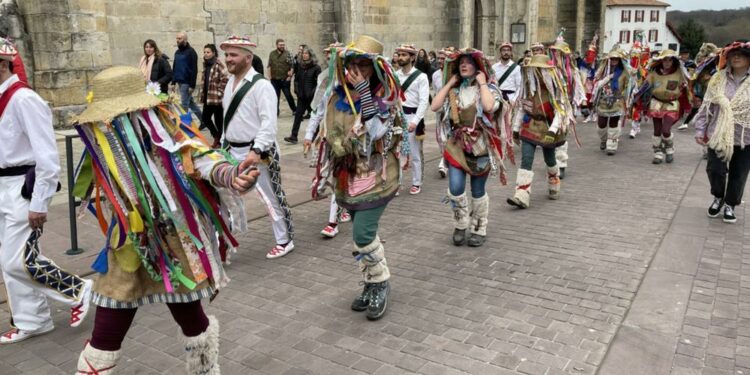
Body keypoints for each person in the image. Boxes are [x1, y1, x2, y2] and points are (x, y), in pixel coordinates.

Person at [70, 65, 258, 374]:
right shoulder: (103, 140)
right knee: (105, 332)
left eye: (114, 114)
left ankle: (206, 369)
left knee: (193, 322)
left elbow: (200, 157)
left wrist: (232, 174)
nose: (108, 120)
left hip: (175, 242)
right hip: (129, 243)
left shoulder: (167, 130)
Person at [0, 37, 93, 345]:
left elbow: (47, 157)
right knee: (8, 260)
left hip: (21, 188)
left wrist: (40, 202)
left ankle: (76, 290)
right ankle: (32, 320)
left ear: (2, 64)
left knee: (18, 261)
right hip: (2, 186)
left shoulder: (24, 99)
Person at [310, 35, 405, 320]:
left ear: (374, 70)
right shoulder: (336, 96)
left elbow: (375, 132)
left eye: (364, 67)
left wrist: (365, 91)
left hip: (377, 178)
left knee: (362, 235)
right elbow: (323, 123)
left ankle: (381, 282)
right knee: (362, 233)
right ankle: (370, 281)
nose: (357, 72)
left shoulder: (384, 98)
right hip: (347, 180)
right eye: (353, 66)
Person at [222, 36, 295, 259]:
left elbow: (269, 123)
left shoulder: (262, 86)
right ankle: (223, 244)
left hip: (258, 153)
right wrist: (223, 142)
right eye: (226, 55)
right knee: (224, 196)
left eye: (233, 55)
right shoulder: (229, 83)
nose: (228, 59)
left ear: (248, 57)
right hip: (232, 151)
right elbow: (229, 118)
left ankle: (285, 240)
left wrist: (256, 151)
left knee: (270, 197)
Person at [431, 48, 506, 247]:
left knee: (477, 190)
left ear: (478, 67)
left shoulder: (489, 89)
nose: (464, 65)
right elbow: (434, 106)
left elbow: (489, 107)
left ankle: (479, 228)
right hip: (456, 145)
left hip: (480, 147)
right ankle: (460, 224)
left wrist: (482, 83)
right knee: (455, 188)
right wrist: (449, 83)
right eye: (461, 62)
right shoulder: (454, 91)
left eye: (468, 62)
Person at [695, 40, 750, 224]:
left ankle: (730, 204)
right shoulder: (718, 78)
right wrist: (700, 129)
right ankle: (718, 196)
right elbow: (706, 106)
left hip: (745, 137)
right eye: (733, 54)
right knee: (715, 170)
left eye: (741, 54)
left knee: (739, 174)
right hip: (717, 134)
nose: (736, 57)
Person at [508, 54, 573, 209]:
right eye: (534, 69)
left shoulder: (555, 89)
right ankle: (522, 195)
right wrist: (516, 129)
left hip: (547, 128)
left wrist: (553, 131)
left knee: (549, 159)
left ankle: (554, 181)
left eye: (540, 69)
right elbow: (522, 108)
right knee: (526, 158)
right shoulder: (528, 87)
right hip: (529, 126)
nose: (536, 72)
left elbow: (561, 111)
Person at [303, 42, 351, 238]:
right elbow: (317, 111)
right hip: (327, 139)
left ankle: (333, 222)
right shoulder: (326, 83)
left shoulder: (353, 84)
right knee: (322, 181)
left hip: (347, 141)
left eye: (336, 57)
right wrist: (308, 135)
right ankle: (344, 204)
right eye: (329, 56)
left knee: (340, 178)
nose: (332, 60)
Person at [548, 31, 586, 179]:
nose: (556, 55)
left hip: (566, 106)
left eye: (559, 53)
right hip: (550, 106)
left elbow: (578, 87)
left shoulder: (572, 71)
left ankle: (561, 163)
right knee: (550, 135)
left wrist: (582, 101)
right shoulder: (548, 70)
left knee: (562, 133)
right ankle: (552, 162)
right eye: (554, 52)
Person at [643, 49, 690, 164]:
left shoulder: (679, 72)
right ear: (661, 61)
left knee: (666, 130)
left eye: (670, 60)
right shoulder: (654, 73)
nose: (667, 62)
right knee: (657, 130)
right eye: (665, 60)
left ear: (673, 61)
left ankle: (669, 148)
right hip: (656, 103)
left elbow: (686, 86)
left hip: (672, 104)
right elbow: (645, 86)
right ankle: (658, 153)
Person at [395, 44, 430, 195]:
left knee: (415, 153)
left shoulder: (421, 77)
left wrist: (415, 121)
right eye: (400, 54)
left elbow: (424, 101)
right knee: (396, 152)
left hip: (413, 117)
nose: (401, 57)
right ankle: (396, 183)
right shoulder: (395, 75)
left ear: (412, 57)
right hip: (397, 117)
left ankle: (416, 182)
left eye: (404, 55)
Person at [591, 48, 632, 155]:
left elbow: (629, 86)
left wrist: (623, 95)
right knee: (601, 124)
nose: (614, 61)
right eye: (612, 59)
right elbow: (595, 83)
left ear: (620, 60)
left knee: (613, 123)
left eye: (616, 59)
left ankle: (611, 146)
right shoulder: (602, 71)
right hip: (603, 101)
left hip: (616, 101)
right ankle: (604, 140)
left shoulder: (624, 72)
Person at [285, 47, 321, 144]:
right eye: (303, 53)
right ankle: (293, 136)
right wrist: (297, 90)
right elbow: (296, 79)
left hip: (312, 97)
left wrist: (313, 93)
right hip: (301, 96)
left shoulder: (316, 67)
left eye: (306, 53)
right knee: (297, 116)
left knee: (315, 117)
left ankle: (316, 135)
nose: (304, 55)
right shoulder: (300, 66)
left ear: (310, 55)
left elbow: (319, 82)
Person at [200, 43, 229, 148]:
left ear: (213, 53)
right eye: (204, 52)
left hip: (217, 98)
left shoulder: (218, 64)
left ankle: (221, 141)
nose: (206, 54)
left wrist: (220, 92)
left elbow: (225, 78)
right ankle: (217, 136)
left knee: (219, 120)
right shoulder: (205, 64)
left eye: (208, 52)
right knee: (205, 118)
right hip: (208, 97)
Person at [433, 47, 454, 178]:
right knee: (440, 137)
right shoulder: (435, 75)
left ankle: (444, 163)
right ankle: (446, 158)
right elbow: (436, 91)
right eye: (439, 58)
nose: (440, 60)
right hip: (439, 109)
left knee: (449, 135)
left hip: (452, 108)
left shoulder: (454, 75)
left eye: (443, 58)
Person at [172, 32, 202, 122]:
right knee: (191, 103)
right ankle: (204, 121)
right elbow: (175, 67)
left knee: (184, 105)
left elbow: (194, 69)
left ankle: (185, 125)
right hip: (179, 81)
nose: (177, 40)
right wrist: (173, 82)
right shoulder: (177, 52)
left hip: (186, 82)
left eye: (180, 38)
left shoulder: (191, 52)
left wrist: (192, 86)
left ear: (185, 40)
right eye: (177, 38)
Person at [267, 38, 297, 116]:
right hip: (274, 79)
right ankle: (276, 112)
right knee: (275, 96)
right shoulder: (272, 54)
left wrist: (289, 77)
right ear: (277, 45)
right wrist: (269, 77)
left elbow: (292, 66)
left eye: (283, 45)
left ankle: (294, 110)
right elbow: (269, 65)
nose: (282, 46)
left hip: (285, 79)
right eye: (280, 45)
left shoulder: (288, 53)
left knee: (288, 95)